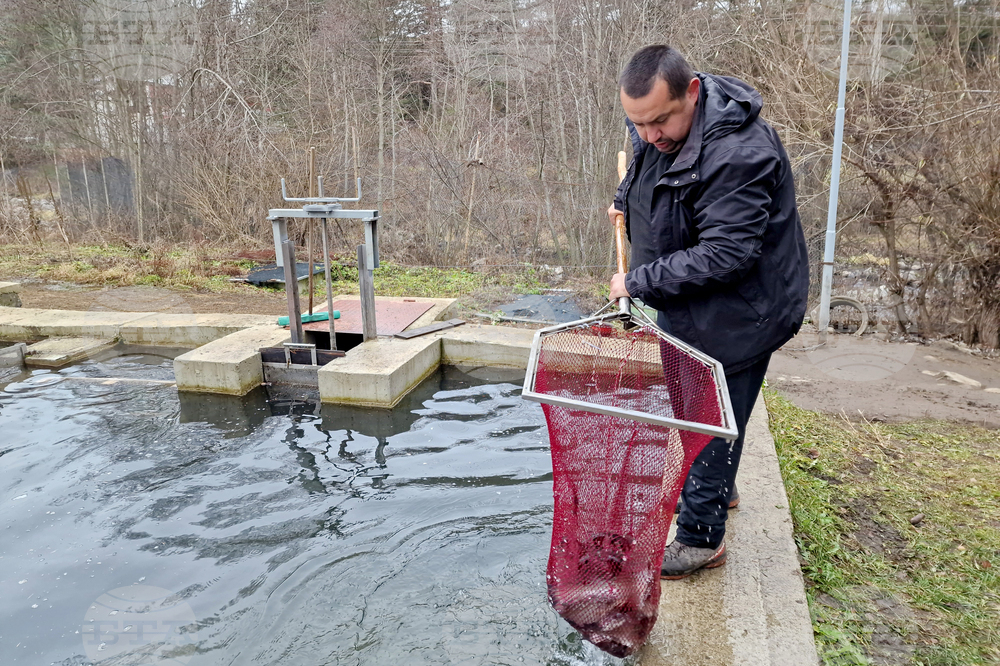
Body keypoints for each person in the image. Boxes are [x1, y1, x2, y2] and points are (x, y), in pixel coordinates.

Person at [607, 45, 809, 578]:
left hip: (745, 309)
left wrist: (638, 280)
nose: (650, 134)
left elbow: (727, 253)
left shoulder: (741, 153)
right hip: (689, 298)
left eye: (659, 121)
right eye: (638, 123)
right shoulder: (660, 125)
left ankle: (702, 538)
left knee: (708, 416)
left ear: (691, 92)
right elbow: (648, 166)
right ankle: (723, 486)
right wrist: (625, 199)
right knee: (702, 411)